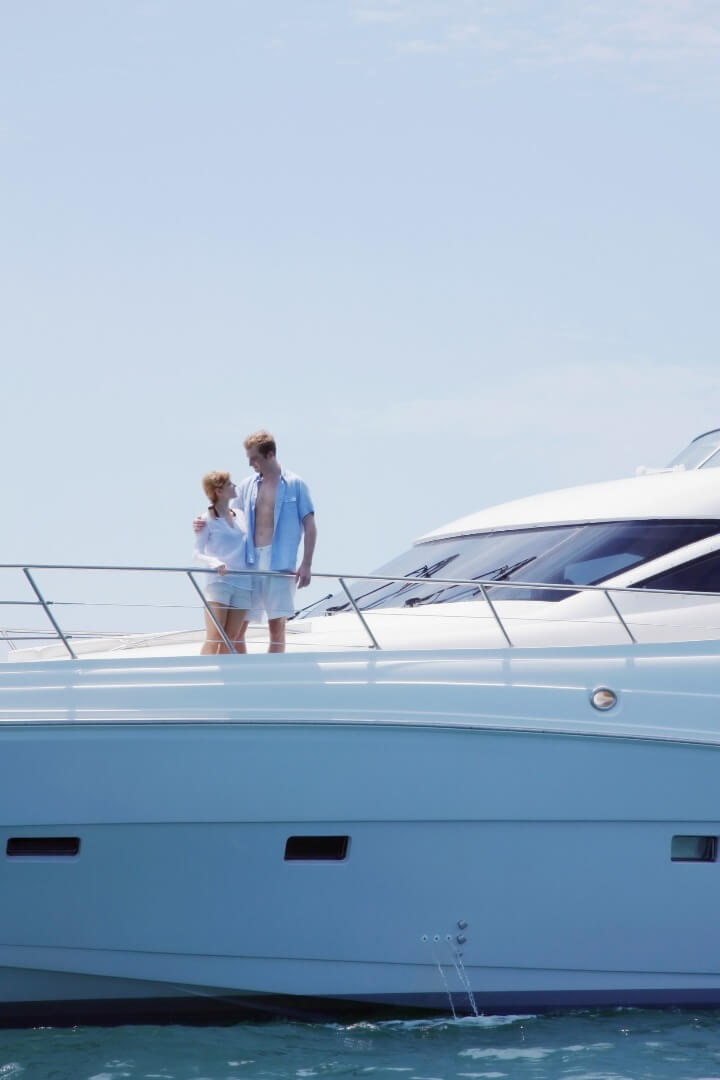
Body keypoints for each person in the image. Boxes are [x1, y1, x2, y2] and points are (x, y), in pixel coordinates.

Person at [193, 431, 316, 653]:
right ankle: (237, 670)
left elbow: (310, 525)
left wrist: (306, 564)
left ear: (270, 455)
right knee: (237, 630)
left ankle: (274, 672)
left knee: (276, 627)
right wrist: (203, 520)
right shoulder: (247, 485)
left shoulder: (296, 484)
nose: (250, 464)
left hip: (280, 563)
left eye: (254, 458)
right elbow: (226, 514)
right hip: (248, 563)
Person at [193, 471, 251, 655]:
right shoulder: (206, 519)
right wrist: (214, 562)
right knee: (215, 637)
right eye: (229, 484)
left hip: (243, 583)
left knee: (231, 637)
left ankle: (226, 672)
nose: (234, 486)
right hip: (220, 582)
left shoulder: (240, 515)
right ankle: (203, 671)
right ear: (219, 491)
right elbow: (197, 553)